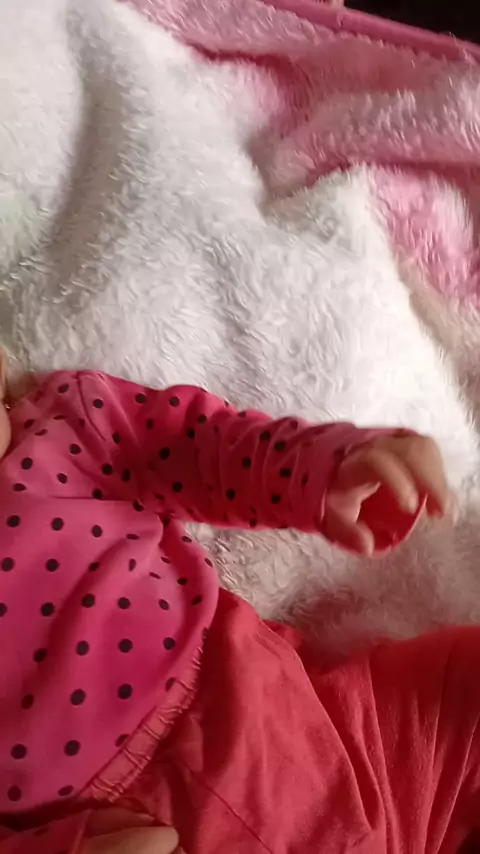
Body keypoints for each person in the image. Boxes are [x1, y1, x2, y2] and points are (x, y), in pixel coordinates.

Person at [0, 349, 476, 854]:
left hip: (312, 723)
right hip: (125, 823)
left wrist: (322, 465)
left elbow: (203, 446)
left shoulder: (66, 429)